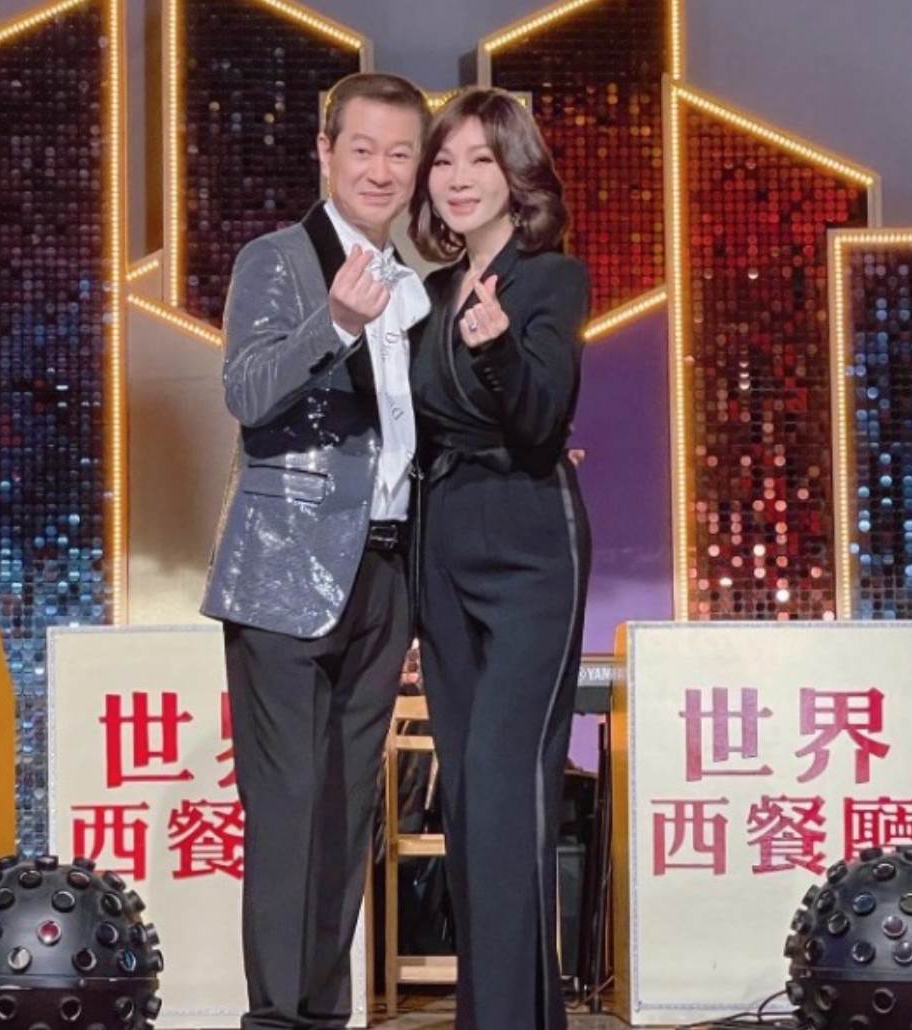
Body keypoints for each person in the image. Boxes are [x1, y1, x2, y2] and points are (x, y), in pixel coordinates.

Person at [201, 72, 430, 1030]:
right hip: (284, 570)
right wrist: (334, 323)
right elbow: (248, 392)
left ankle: (323, 1015)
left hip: (385, 572)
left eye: (400, 153)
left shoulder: (418, 283)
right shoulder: (278, 260)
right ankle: (278, 1019)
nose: (380, 170)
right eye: (362, 148)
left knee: (346, 811)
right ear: (326, 153)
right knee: (290, 805)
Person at [408, 87, 592, 1030]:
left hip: (528, 546)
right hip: (442, 544)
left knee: (505, 785)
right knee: (470, 804)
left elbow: (541, 418)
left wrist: (499, 351)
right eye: (444, 161)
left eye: (481, 159)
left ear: (518, 174)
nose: (458, 178)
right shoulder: (428, 294)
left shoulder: (550, 278)